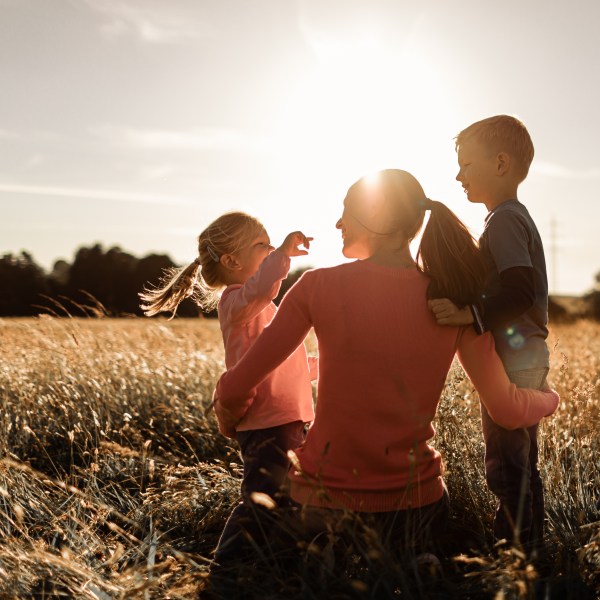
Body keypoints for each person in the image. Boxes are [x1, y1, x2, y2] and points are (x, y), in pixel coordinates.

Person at [213, 169, 559, 565]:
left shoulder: (315, 286)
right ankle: (411, 564)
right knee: (402, 562)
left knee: (304, 563)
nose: (338, 223)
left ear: (376, 215)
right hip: (416, 505)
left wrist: (228, 414)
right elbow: (508, 410)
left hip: (320, 505)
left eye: (346, 212)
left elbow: (236, 384)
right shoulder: (453, 305)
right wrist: (549, 399)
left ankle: (344, 564)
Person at [138, 211, 317, 589]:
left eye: (270, 244)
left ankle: (276, 570)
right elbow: (262, 288)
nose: (270, 250)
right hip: (267, 424)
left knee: (286, 503)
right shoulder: (237, 303)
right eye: (262, 246)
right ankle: (225, 574)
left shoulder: (260, 307)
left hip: (288, 420)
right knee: (260, 504)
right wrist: (283, 254)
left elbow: (288, 360)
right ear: (232, 262)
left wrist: (327, 365)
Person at [428, 115, 550, 553]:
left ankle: (514, 554)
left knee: (506, 465)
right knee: (522, 461)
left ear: (500, 164)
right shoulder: (513, 217)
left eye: (466, 165)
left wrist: (469, 314)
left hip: (515, 359)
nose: (458, 175)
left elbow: (521, 290)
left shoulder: (502, 222)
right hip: (529, 355)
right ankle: (531, 547)